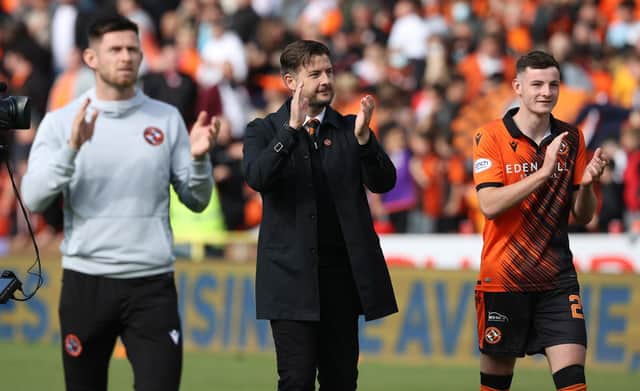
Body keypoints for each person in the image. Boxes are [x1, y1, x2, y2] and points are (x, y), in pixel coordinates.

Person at [20, 15, 219, 391]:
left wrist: (198, 160)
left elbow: (197, 200)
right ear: (91, 58)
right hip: (87, 282)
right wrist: (72, 148)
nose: (126, 57)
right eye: (115, 49)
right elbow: (34, 197)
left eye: (132, 48)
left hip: (152, 284)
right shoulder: (62, 122)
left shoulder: (168, 119)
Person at [242, 39, 398, 390]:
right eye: (315, 74)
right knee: (295, 381)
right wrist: (291, 130)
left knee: (341, 381)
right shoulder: (263, 130)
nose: (327, 79)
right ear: (290, 82)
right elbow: (258, 177)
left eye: (329, 71)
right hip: (288, 280)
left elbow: (384, 182)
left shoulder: (349, 129)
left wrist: (364, 142)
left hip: (341, 281)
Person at [472, 50, 608, 391]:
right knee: (495, 386)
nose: (546, 92)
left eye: (553, 84)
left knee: (574, 383)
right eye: (536, 84)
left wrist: (588, 186)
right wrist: (544, 172)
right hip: (504, 279)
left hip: (557, 281)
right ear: (518, 87)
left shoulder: (571, 137)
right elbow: (489, 204)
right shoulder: (490, 136)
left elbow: (583, 215)